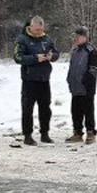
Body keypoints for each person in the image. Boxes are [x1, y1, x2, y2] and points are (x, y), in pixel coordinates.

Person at [14, 16, 60, 145]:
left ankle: (44, 133)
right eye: (37, 29)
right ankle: (27, 135)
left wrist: (52, 57)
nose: (39, 31)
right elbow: (18, 57)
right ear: (31, 27)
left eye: (41, 29)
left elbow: (56, 53)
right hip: (29, 79)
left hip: (44, 79)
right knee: (28, 108)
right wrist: (35, 58)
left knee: (45, 108)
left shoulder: (47, 39)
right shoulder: (22, 39)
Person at [66, 26, 97, 144]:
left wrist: (86, 81)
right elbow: (72, 67)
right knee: (75, 111)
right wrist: (69, 79)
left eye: (78, 36)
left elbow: (94, 69)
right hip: (75, 87)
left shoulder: (92, 51)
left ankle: (91, 133)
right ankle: (77, 133)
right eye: (75, 36)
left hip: (86, 88)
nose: (76, 39)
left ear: (85, 37)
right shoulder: (75, 51)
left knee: (88, 111)